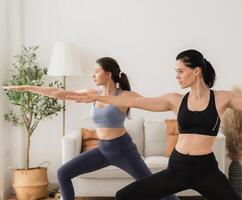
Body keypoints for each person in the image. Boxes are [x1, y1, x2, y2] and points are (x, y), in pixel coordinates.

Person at [66, 49, 242, 200]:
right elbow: (134, 100)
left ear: (196, 71)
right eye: (175, 72)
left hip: (206, 170)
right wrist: (98, 97)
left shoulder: (221, 99)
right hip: (177, 168)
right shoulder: (176, 100)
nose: (177, 76)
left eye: (180, 71)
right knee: (125, 196)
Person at [3, 57, 179, 200]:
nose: (93, 75)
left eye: (96, 71)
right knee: (63, 173)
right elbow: (59, 93)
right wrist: (27, 88)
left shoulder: (125, 96)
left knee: (155, 187)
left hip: (123, 150)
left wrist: (179, 108)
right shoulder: (93, 94)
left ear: (108, 74)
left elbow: (153, 104)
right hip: (102, 150)